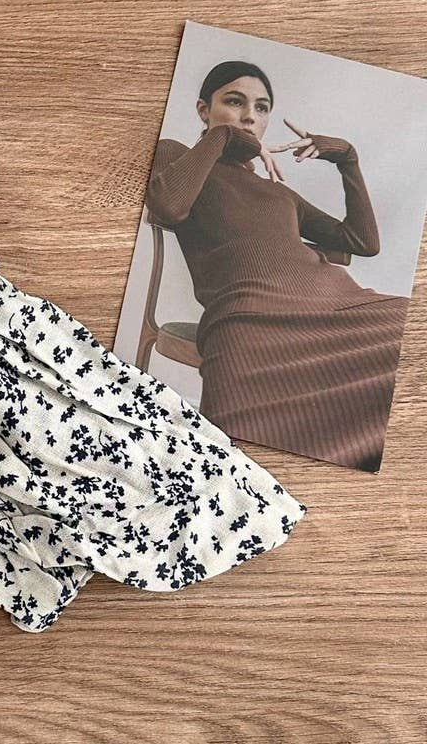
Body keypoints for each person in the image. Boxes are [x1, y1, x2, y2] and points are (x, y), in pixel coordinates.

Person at [145, 59, 408, 471]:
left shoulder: (278, 193)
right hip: (253, 317)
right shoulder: (174, 156)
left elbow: (363, 243)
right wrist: (222, 136)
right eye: (235, 102)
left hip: (344, 307)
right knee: (244, 451)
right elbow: (167, 206)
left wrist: (348, 160)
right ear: (203, 109)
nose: (250, 116)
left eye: (262, 107)